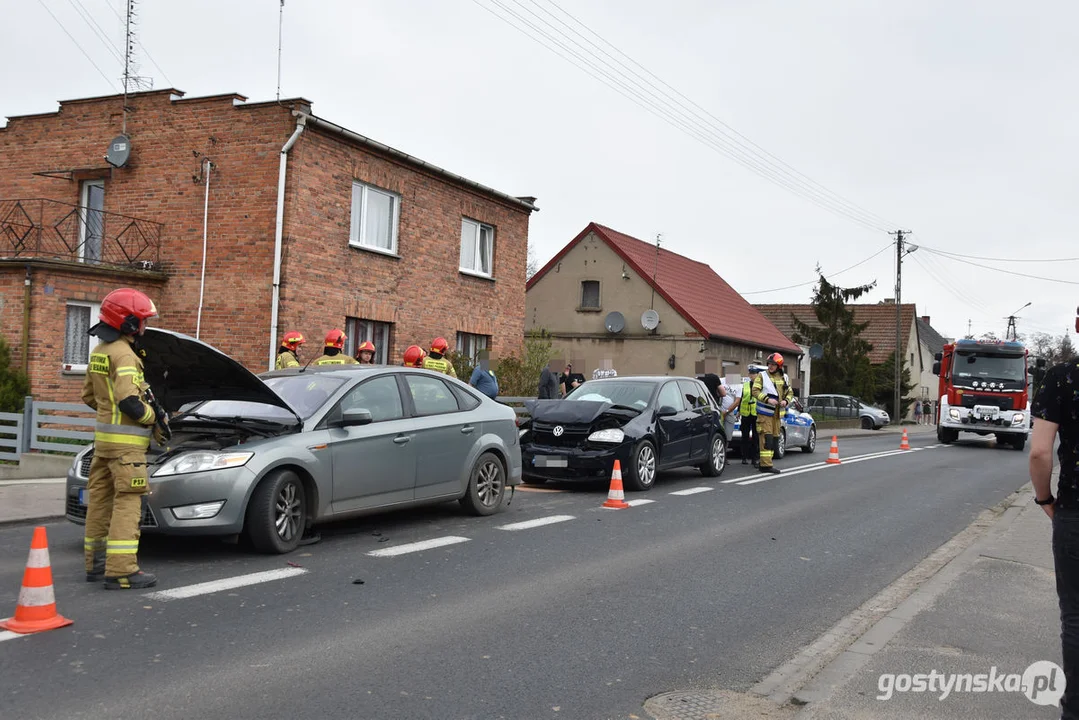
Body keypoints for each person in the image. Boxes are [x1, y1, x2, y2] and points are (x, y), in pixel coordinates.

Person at [80, 288, 162, 590]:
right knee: (128, 505)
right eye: (142, 321)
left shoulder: (100, 351)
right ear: (128, 323)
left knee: (99, 503)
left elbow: (89, 395)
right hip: (127, 450)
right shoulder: (125, 355)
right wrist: (152, 418)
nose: (144, 326)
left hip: (102, 446)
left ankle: (96, 565)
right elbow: (130, 402)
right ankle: (121, 571)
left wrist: (108, 413)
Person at [1030, 332, 1079, 718]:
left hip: (1075, 513)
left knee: (1075, 617)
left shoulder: (1062, 377)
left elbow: (1041, 451)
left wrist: (1045, 498)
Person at [753, 353, 794, 474]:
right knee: (767, 438)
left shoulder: (784, 377)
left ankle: (766, 462)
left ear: (779, 366)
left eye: (773, 364)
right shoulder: (762, 376)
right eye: (769, 364)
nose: (770, 366)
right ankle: (765, 465)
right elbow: (754, 391)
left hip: (777, 414)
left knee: (774, 440)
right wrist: (767, 399)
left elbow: (790, 393)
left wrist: (786, 401)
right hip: (765, 414)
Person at [740, 365, 762, 466]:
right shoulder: (744, 385)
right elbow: (741, 398)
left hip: (756, 414)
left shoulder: (760, 386)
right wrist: (739, 412)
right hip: (745, 414)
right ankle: (744, 457)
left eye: (754, 373)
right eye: (751, 373)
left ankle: (755, 458)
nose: (752, 375)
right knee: (744, 436)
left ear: (757, 375)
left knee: (755, 437)